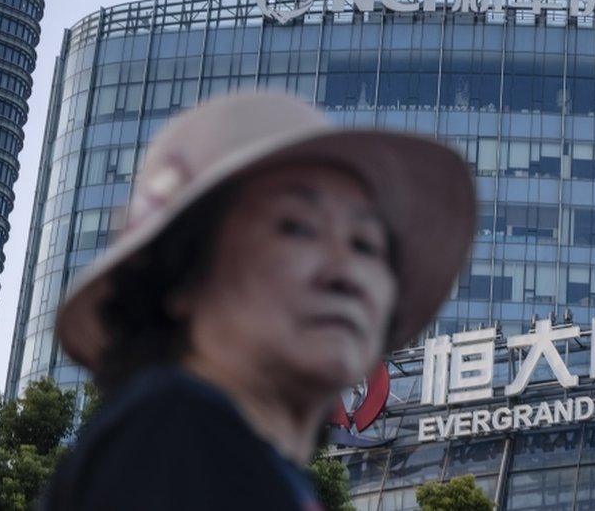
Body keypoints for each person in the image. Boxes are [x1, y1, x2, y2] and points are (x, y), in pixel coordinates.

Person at [41, 93, 476, 510]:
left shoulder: (250, 465)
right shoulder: (173, 440)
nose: (345, 272)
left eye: (365, 245)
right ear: (183, 275)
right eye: (297, 228)